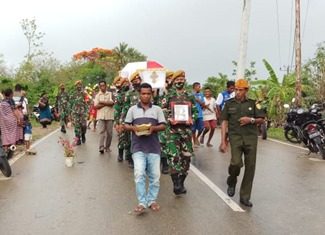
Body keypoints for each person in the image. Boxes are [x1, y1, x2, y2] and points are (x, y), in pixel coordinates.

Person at [219, 79, 266, 207]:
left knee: (250, 167)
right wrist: (223, 141)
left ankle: (245, 196)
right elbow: (224, 121)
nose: (238, 92)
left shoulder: (253, 103)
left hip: (251, 138)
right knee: (236, 163)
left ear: (246, 90)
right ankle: (232, 180)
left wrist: (250, 120)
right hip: (235, 138)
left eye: (241, 90)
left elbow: (261, 119)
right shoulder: (229, 104)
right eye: (236, 90)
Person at [123, 83, 166, 214]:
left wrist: (153, 128)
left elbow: (163, 125)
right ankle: (142, 202)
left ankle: (152, 200)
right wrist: (134, 128)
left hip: (153, 147)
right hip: (138, 147)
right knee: (139, 174)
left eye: (148, 93)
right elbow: (126, 125)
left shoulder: (157, 109)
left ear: (151, 94)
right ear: (139, 94)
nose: (146, 96)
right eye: (143, 93)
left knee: (155, 176)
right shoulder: (132, 110)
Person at [163, 70, 198, 195]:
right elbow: (162, 110)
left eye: (181, 79)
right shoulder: (168, 96)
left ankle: (182, 182)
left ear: (184, 80)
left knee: (186, 158)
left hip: (186, 132)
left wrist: (191, 118)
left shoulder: (190, 96)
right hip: (172, 132)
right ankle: (176, 183)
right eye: (177, 79)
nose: (179, 81)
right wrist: (169, 118)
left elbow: (195, 112)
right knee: (174, 156)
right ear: (174, 81)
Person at [121, 71, 142, 168]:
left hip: (143, 120)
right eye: (134, 81)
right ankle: (131, 159)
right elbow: (125, 108)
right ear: (132, 83)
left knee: (142, 140)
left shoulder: (145, 92)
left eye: (138, 80)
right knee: (130, 140)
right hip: (132, 121)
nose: (137, 82)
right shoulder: (129, 94)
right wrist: (122, 121)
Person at [94, 80, 114, 153]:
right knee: (101, 132)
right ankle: (101, 147)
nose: (102, 87)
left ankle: (107, 147)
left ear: (106, 86)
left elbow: (112, 103)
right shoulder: (97, 95)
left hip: (109, 116)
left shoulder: (110, 94)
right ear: (99, 87)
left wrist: (102, 102)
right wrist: (107, 103)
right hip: (101, 116)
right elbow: (96, 106)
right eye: (101, 86)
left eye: (103, 85)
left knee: (109, 133)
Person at [113, 76, 130, 162]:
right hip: (122, 119)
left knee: (129, 139)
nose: (127, 84)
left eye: (128, 83)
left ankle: (128, 155)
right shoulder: (119, 95)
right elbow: (116, 109)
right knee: (122, 137)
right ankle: (120, 154)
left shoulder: (132, 93)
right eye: (125, 83)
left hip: (131, 120)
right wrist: (117, 123)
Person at [69, 80, 89, 145]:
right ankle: (78, 139)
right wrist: (70, 113)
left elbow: (88, 102)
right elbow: (70, 104)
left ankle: (83, 134)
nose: (78, 86)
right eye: (77, 85)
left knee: (84, 126)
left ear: (81, 85)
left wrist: (87, 111)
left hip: (83, 112)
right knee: (77, 126)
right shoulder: (73, 94)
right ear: (75, 86)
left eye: (79, 84)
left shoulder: (84, 94)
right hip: (75, 113)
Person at [192, 82, 205, 147]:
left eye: (200, 87)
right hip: (193, 114)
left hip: (200, 114)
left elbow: (203, 104)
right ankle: (194, 142)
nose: (200, 88)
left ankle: (197, 137)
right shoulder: (190, 94)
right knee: (193, 129)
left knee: (201, 128)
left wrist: (200, 102)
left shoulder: (201, 94)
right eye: (198, 87)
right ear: (195, 87)